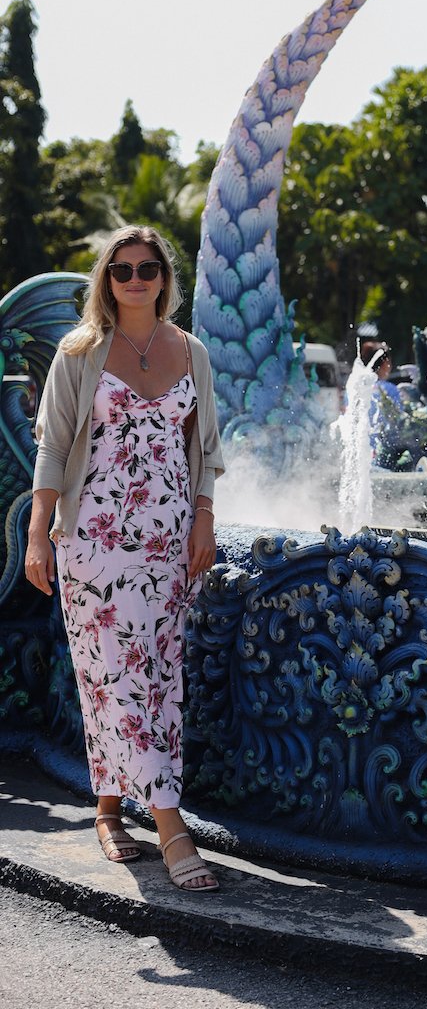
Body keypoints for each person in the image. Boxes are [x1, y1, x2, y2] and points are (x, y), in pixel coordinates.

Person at [25, 225, 225, 891]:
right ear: (105, 281)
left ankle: (110, 809)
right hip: (95, 543)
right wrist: (36, 534)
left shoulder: (190, 351)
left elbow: (207, 452)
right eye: (121, 270)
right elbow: (52, 449)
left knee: (155, 673)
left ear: (166, 278)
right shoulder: (79, 352)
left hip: (168, 542)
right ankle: (170, 824)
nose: (135, 280)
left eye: (147, 269)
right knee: (115, 671)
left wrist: (204, 519)